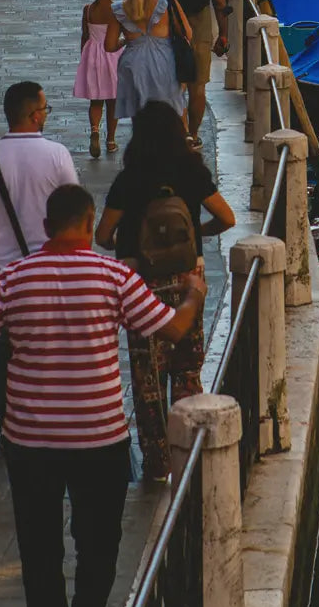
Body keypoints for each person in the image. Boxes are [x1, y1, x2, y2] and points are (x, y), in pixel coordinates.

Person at [0, 184, 206, 607]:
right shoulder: (115, 277)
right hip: (100, 438)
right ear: (90, 224)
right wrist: (194, 292)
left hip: (31, 442)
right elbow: (174, 330)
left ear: (46, 227)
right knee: (99, 542)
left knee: (38, 544)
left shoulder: (11, 278)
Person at [96, 104, 234, 481]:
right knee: (187, 370)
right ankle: (189, 453)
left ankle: (157, 464)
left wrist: (129, 249)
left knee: (148, 379)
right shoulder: (192, 171)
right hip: (189, 282)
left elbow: (103, 235)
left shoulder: (129, 179)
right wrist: (196, 235)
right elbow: (227, 218)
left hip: (141, 286)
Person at [0, 82, 79, 429]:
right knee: (51, 350)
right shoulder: (57, 155)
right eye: (45, 109)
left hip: (3, 277)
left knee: (5, 352)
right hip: (51, 273)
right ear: (34, 115)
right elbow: (76, 212)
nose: (46, 115)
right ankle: (51, 420)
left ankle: (11, 427)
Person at [157, 0, 228, 136]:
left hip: (172, 35)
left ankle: (181, 132)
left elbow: (157, 2)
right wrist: (223, 35)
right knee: (198, 89)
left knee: (175, 88)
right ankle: (194, 134)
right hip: (201, 34)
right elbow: (219, 3)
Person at [106, 0, 191, 123]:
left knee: (140, 117)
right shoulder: (168, 3)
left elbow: (109, 46)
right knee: (173, 110)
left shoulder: (119, 9)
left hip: (133, 66)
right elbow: (187, 33)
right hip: (165, 63)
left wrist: (126, 41)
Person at [74, 0, 124, 157]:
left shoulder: (88, 10)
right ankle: (110, 141)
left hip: (92, 55)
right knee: (113, 101)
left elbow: (85, 35)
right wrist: (124, 42)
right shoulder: (117, 10)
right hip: (113, 56)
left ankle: (95, 130)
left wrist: (84, 58)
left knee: (96, 100)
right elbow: (121, 35)